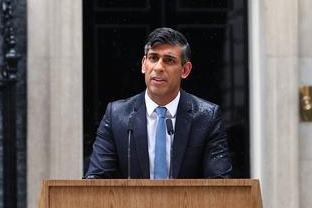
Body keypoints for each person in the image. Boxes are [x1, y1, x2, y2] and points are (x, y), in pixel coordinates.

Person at [85, 27, 233, 179]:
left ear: (185, 70)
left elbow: (221, 183)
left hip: (187, 203)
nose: (159, 67)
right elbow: (96, 180)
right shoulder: (117, 115)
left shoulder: (207, 117)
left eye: (169, 60)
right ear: (144, 64)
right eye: (153, 58)